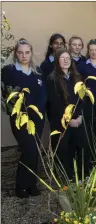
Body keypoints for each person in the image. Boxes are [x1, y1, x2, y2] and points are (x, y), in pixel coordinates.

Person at [1, 39, 46, 198]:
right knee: (28, 149)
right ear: (15, 53)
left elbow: (42, 94)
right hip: (20, 118)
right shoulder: (8, 71)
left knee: (34, 151)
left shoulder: (38, 71)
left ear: (31, 53)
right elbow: (6, 95)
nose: (24, 55)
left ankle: (31, 184)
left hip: (37, 119)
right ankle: (20, 186)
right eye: (20, 52)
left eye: (27, 52)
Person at [45, 48, 90, 179]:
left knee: (83, 148)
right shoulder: (52, 79)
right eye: (62, 58)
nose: (66, 60)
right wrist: (69, 121)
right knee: (64, 152)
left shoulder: (76, 77)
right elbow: (54, 104)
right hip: (62, 122)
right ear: (57, 61)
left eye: (68, 58)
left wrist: (80, 116)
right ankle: (65, 179)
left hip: (78, 119)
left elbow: (82, 99)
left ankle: (83, 176)